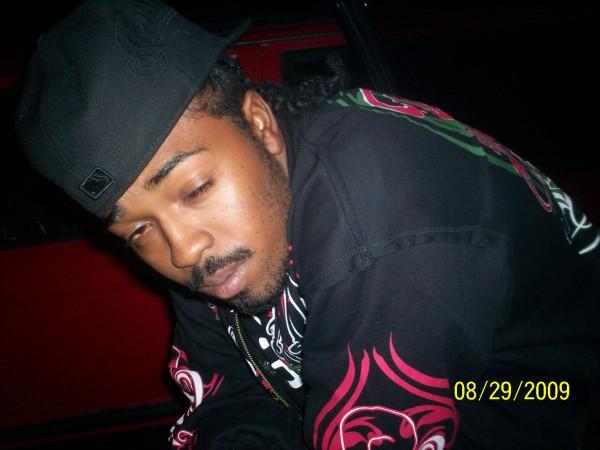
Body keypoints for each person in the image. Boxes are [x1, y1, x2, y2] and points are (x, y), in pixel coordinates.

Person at [15, 0, 599, 448]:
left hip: (531, 391)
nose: (183, 250)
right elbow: (230, 393)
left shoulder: (384, 214)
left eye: (194, 189)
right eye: (136, 231)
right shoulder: (207, 241)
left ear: (259, 124)